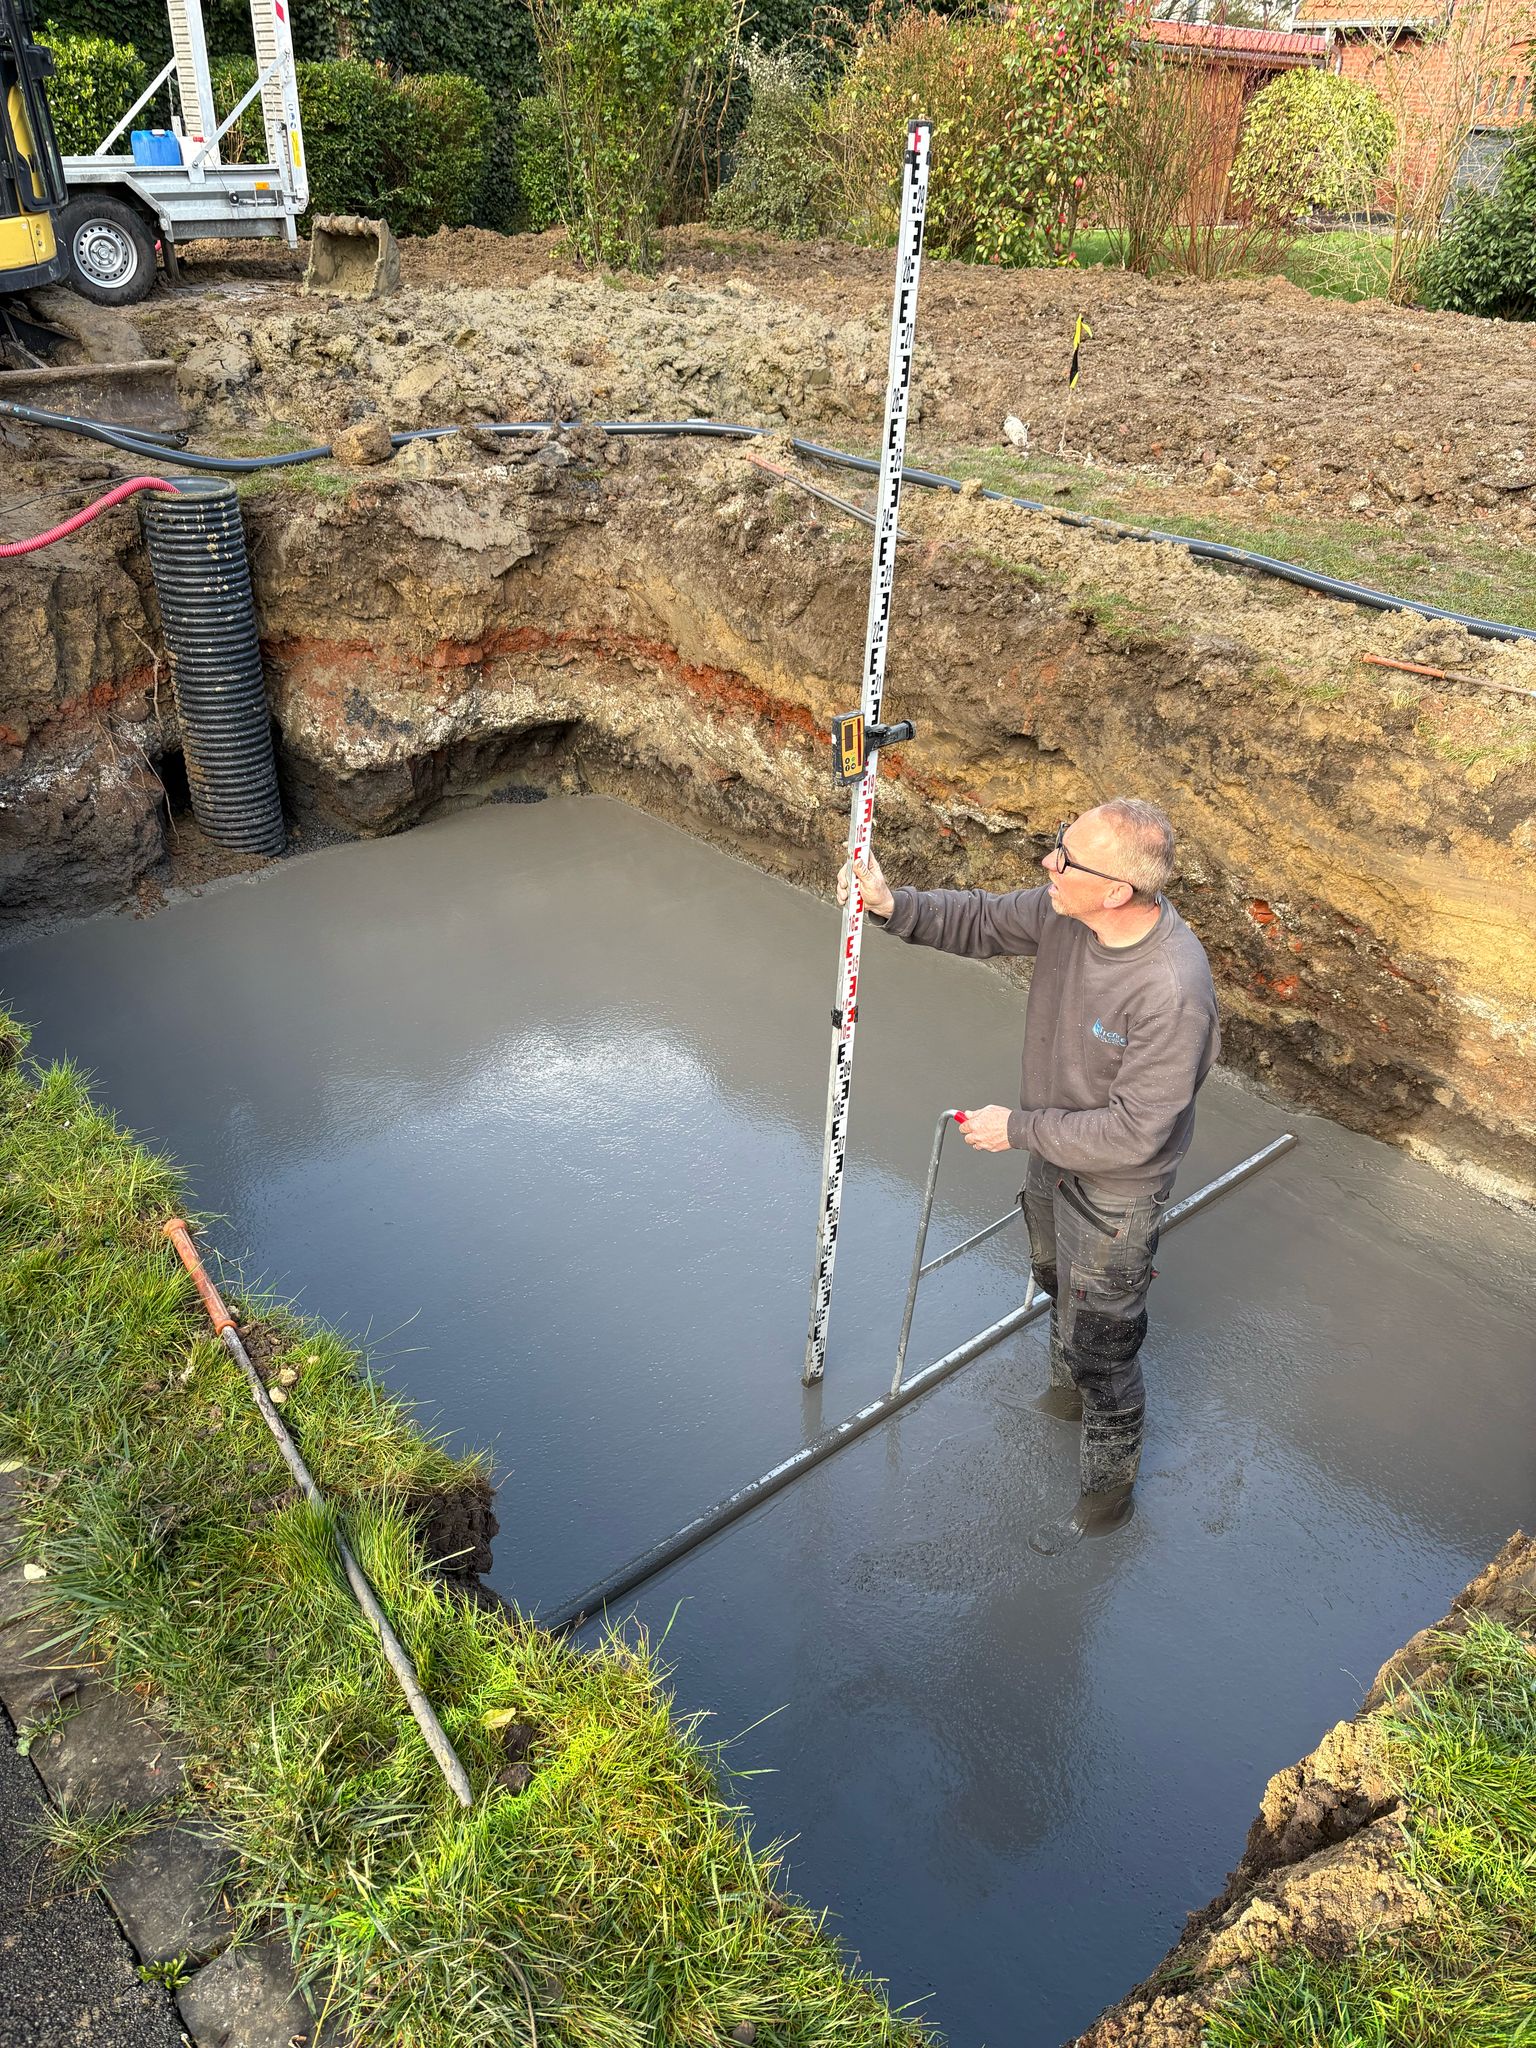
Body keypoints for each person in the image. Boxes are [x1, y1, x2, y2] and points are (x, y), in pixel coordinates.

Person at [838, 798, 1219, 1551]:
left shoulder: (1172, 989)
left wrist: (1016, 1128)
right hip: (1055, 1153)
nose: (1049, 862)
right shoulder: (1064, 913)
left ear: (1117, 891)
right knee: (1051, 1274)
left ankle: (1107, 1496)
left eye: (1065, 857)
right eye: (1057, 844)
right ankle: (1064, 1392)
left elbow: (1138, 1134)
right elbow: (979, 920)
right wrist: (889, 904)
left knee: (1106, 1350)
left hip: (1117, 1192)